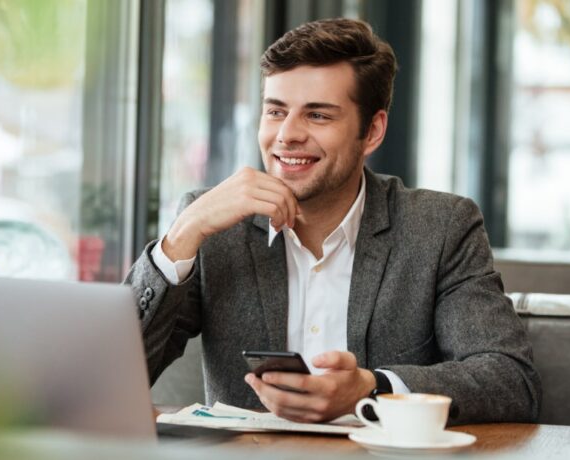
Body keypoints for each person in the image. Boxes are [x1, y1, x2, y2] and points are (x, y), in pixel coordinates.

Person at [126, 18, 541, 424]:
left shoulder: (441, 227)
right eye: (275, 111)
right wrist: (180, 237)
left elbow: (509, 380)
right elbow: (117, 372)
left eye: (318, 116)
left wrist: (371, 388)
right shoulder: (215, 226)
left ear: (373, 131)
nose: (287, 135)